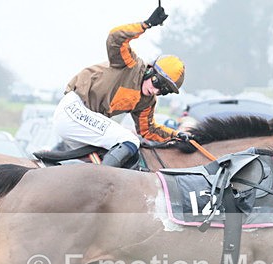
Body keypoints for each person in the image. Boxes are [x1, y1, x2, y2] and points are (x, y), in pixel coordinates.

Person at [53, 6, 190, 168]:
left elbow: (149, 130)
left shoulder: (147, 102)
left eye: (163, 91)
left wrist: (177, 136)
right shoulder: (130, 65)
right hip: (75, 109)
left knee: (114, 151)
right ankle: (103, 179)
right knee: (129, 140)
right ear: (151, 70)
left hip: (85, 121)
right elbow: (115, 37)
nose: (155, 91)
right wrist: (146, 25)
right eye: (157, 83)